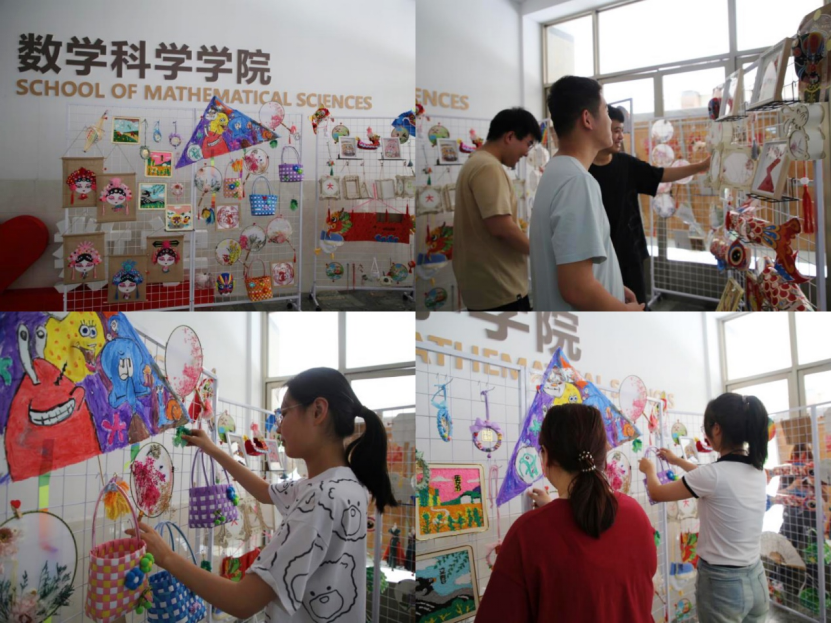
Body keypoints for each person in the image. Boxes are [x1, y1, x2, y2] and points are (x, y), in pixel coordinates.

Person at [126, 367, 396, 622]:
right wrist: (214, 450)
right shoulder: (346, 484)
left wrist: (167, 557)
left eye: (284, 414)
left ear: (317, 411)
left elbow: (242, 600)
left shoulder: (320, 499)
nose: (278, 427)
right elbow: (266, 492)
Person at [476, 403, 656, 622]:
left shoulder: (528, 534)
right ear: (604, 454)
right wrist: (551, 509)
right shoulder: (635, 514)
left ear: (545, 456)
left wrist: (549, 514)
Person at [639, 393, 770, 623]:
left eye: (705, 427)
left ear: (717, 429)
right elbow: (710, 478)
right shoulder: (758, 471)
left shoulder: (713, 476)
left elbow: (657, 493)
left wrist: (649, 470)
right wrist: (677, 461)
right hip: (756, 577)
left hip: (723, 584)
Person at [530, 76, 643, 311]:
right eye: (606, 111)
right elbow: (576, 288)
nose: (610, 120)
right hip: (581, 329)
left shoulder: (556, 170)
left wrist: (611, 285)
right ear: (587, 119)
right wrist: (625, 312)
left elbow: (570, 264)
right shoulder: (577, 181)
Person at [589, 105, 710, 306]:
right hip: (598, 258)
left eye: (622, 131)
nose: (620, 136)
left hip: (630, 254)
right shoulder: (583, 171)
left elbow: (661, 174)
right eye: (616, 130)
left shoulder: (626, 164)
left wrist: (701, 166)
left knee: (636, 306)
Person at [453, 107, 541, 311]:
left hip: (486, 286)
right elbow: (501, 228)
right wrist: (540, 252)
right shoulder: (488, 167)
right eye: (528, 144)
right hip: (500, 289)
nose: (526, 153)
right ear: (510, 137)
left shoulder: (475, 162)